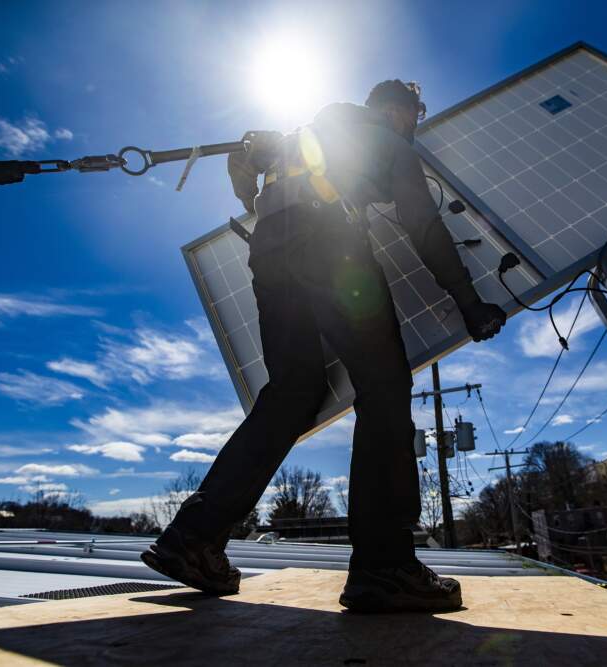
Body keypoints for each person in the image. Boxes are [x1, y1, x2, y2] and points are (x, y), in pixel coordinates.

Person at [142, 80, 507, 612]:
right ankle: (385, 566)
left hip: (270, 258)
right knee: (383, 390)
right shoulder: (386, 140)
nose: (415, 127)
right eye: (412, 115)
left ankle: (192, 538)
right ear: (390, 110)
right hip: (335, 253)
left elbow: (252, 190)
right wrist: (469, 302)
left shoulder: (301, 138)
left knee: (293, 393)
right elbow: (423, 226)